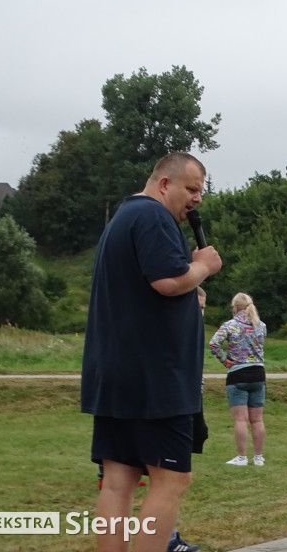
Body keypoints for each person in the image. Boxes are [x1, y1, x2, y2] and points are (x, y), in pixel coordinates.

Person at [81, 153, 222, 552]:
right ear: (164, 184)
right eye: (191, 189)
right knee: (172, 479)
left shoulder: (123, 218)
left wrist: (187, 298)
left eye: (201, 191)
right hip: (155, 381)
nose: (197, 199)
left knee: (118, 481)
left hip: (115, 376)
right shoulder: (154, 216)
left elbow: (150, 293)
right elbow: (167, 280)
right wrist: (202, 268)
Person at [210, 292, 267, 466]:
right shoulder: (261, 325)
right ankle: (258, 457)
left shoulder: (231, 325)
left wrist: (224, 360)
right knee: (257, 419)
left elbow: (214, 343)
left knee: (240, 419)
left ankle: (242, 457)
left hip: (238, 373)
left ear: (235, 307)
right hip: (258, 373)